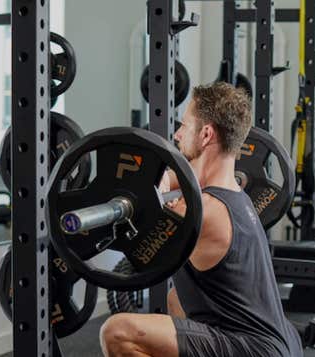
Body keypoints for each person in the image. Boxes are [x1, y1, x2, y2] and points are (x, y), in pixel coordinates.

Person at [99, 82, 303, 357]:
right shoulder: (236, 195)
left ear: (206, 134)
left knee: (117, 332)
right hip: (280, 344)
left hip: (254, 350)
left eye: (184, 125)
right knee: (177, 300)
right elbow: (177, 177)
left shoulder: (204, 212)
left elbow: (136, 230)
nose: (177, 134)